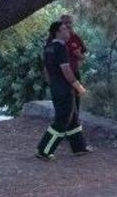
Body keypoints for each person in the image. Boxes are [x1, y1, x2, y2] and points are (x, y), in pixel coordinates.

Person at [36, 21, 90, 160]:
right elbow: (66, 70)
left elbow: (46, 71)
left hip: (56, 87)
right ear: (57, 32)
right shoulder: (61, 48)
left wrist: (53, 84)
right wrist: (79, 87)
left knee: (72, 118)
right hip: (65, 88)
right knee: (62, 120)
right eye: (64, 29)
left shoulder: (48, 48)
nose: (68, 32)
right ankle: (44, 150)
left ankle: (79, 147)